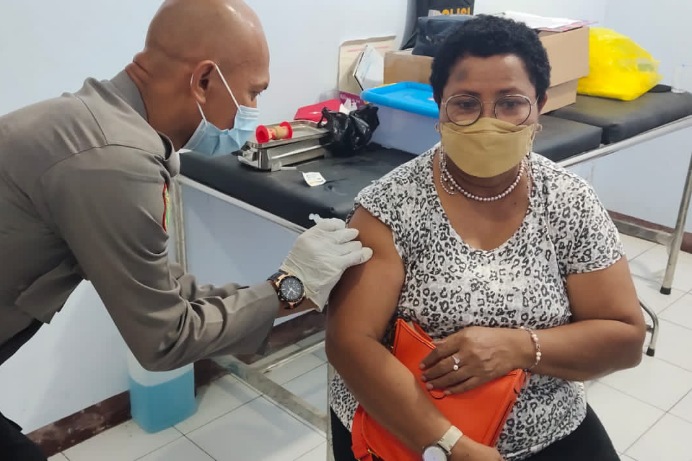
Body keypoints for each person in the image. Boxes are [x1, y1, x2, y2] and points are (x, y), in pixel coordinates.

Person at [0, 0, 372, 459]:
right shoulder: (114, 164)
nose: (254, 111)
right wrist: (289, 290)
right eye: (252, 93)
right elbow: (165, 339)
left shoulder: (94, 121)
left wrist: (284, 290)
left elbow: (166, 288)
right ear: (203, 81)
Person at [326, 15, 646, 461]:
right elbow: (349, 343)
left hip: (547, 424)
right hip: (410, 431)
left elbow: (626, 338)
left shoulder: (568, 201)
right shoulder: (390, 207)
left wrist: (520, 347)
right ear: (439, 106)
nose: (487, 122)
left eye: (511, 103)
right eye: (465, 103)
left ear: (540, 105)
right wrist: (450, 446)